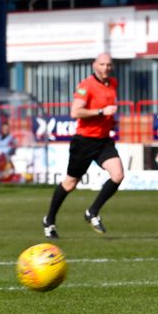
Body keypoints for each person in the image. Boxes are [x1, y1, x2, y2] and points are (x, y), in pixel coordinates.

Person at [43, 53, 124, 239]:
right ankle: (49, 220)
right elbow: (75, 111)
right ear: (94, 65)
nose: (106, 68)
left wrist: (110, 122)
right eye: (102, 64)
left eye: (109, 65)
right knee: (70, 184)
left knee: (118, 175)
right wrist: (102, 111)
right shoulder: (86, 86)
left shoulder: (113, 83)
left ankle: (92, 212)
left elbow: (106, 112)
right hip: (84, 141)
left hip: (103, 140)